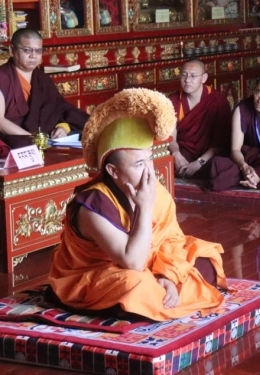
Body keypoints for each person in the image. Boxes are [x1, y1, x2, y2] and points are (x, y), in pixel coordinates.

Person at [48, 88, 228, 321]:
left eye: (149, 160)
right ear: (113, 171)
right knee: (135, 284)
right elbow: (133, 261)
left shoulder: (155, 189)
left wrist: (167, 275)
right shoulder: (93, 205)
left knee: (205, 255)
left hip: (150, 264)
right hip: (99, 274)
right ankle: (149, 299)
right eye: (138, 165)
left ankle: (158, 294)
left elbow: (172, 238)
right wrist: (144, 207)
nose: (149, 171)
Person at [0, 28, 88, 147]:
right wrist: (35, 140)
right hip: (12, 140)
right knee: (17, 143)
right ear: (12, 50)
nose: (33, 56)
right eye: (27, 50)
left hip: (44, 141)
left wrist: (63, 127)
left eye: (38, 51)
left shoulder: (42, 79)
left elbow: (62, 111)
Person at [168, 59, 231, 179]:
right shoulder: (173, 100)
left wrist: (199, 163)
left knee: (220, 167)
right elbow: (171, 137)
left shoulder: (217, 101)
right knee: (158, 162)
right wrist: (177, 155)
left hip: (209, 155)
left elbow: (220, 143)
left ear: (204, 78)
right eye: (184, 75)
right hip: (183, 152)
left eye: (193, 76)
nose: (187, 80)